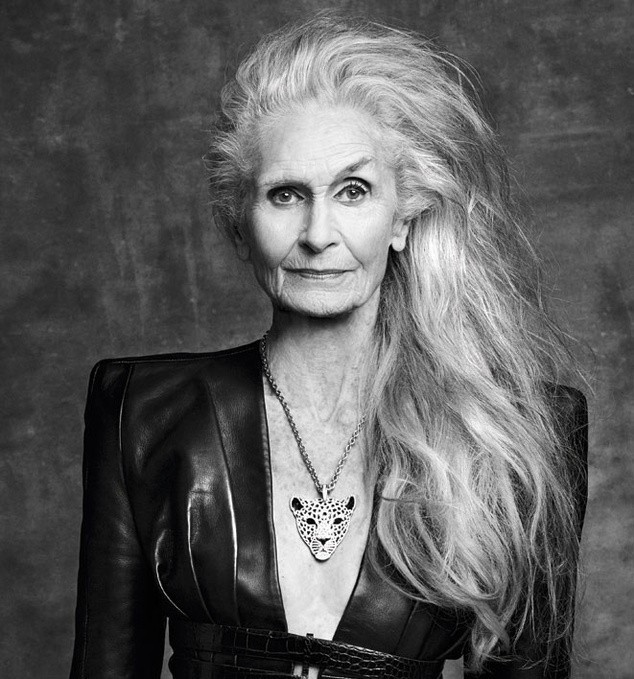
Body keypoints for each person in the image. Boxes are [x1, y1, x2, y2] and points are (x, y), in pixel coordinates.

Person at [69, 14, 588, 679]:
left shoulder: (515, 433)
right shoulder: (142, 411)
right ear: (240, 224)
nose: (318, 234)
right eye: (285, 194)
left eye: (353, 191)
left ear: (402, 218)